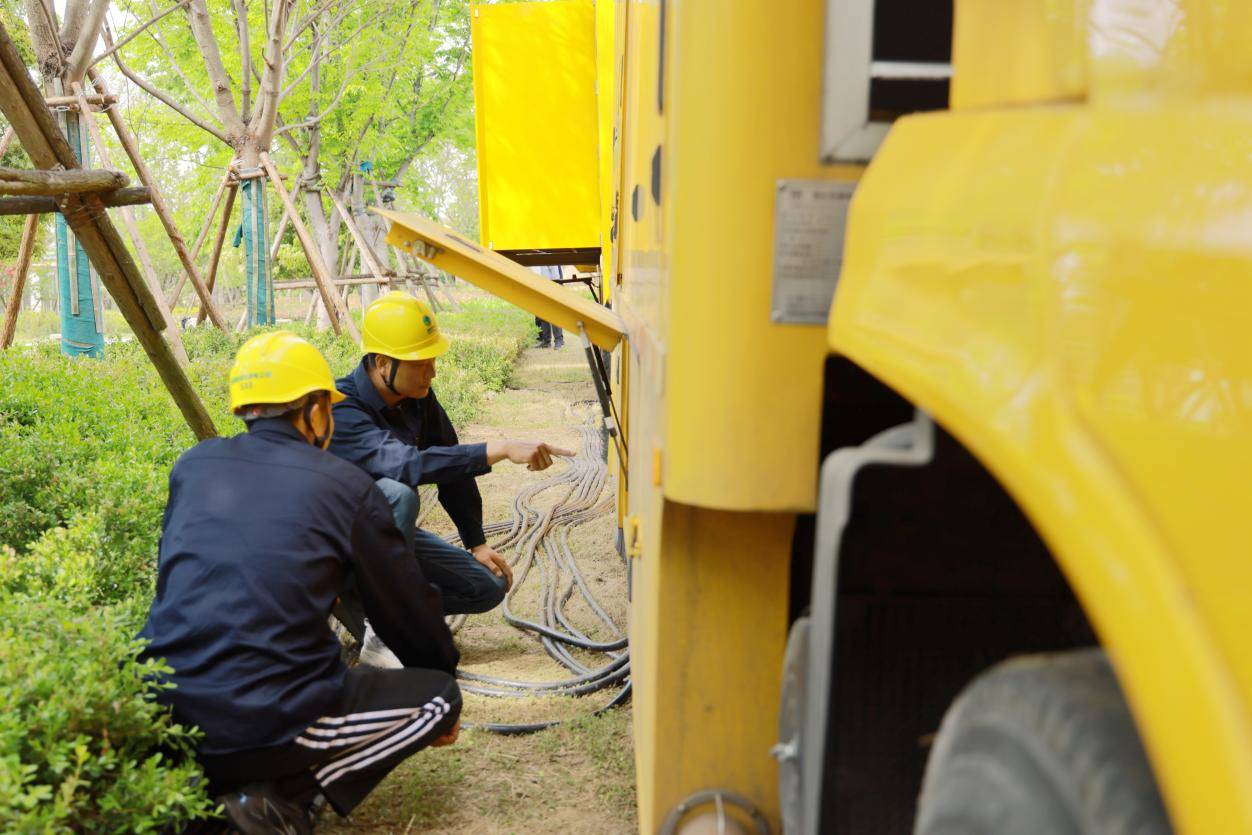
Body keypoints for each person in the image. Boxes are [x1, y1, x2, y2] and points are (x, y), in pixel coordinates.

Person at [137, 331, 462, 832]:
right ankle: (283, 798)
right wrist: (439, 673)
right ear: (314, 410)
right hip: (275, 721)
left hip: (167, 709)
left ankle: (207, 798)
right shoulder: (344, 485)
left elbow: (172, 579)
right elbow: (404, 609)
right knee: (438, 697)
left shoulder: (193, 466)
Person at [329, 291, 573, 628]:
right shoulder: (341, 408)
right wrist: (500, 448)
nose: (432, 372)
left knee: (488, 586)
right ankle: (375, 615)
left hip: (387, 541)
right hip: (340, 544)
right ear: (382, 363)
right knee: (399, 492)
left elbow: (452, 469)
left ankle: (377, 605)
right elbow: (405, 464)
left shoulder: (416, 396)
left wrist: (477, 542)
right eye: (420, 363)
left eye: (432, 360)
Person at [530, 265, 565, 348]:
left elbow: (555, 271)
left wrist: (555, 286)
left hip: (550, 284)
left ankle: (559, 340)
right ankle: (546, 341)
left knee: (554, 314)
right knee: (542, 315)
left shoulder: (545, 253)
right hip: (537, 285)